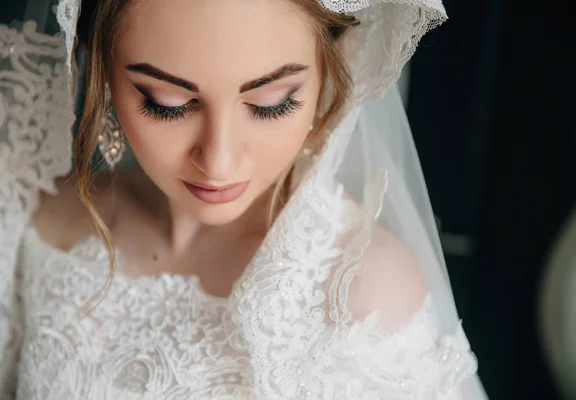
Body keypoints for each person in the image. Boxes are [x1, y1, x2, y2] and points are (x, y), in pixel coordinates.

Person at [0, 0, 488, 398]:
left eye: (270, 103)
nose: (218, 161)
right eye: (166, 104)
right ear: (102, 71)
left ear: (330, 73)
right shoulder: (36, 221)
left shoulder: (363, 294)